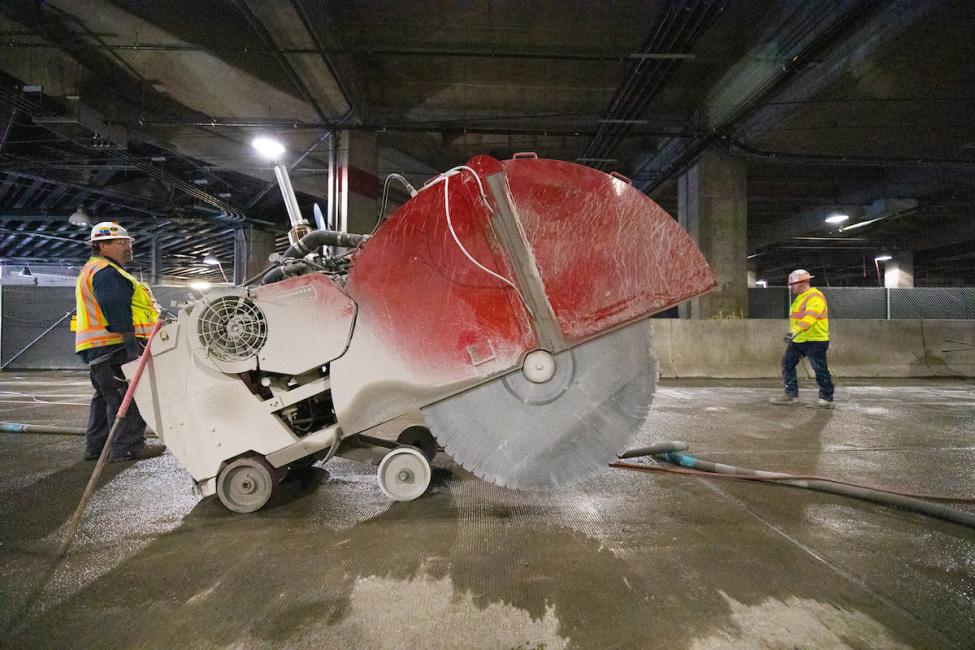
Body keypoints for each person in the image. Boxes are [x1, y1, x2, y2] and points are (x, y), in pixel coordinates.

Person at [74, 221, 166, 461]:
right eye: (122, 242)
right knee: (128, 395)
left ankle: (97, 447)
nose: (129, 247)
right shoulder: (106, 272)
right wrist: (130, 348)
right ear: (102, 245)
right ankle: (127, 447)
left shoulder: (95, 269)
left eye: (129, 242)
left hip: (99, 347)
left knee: (106, 396)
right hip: (115, 346)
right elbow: (116, 310)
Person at [770, 269, 835, 408]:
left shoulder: (815, 296)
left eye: (792, 284)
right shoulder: (800, 298)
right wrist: (795, 334)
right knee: (787, 364)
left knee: (820, 369)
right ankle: (790, 395)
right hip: (799, 340)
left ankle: (826, 399)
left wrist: (793, 332)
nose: (790, 286)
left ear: (803, 283)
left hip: (815, 340)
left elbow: (810, 318)